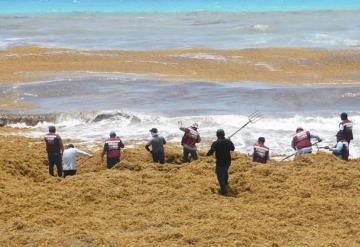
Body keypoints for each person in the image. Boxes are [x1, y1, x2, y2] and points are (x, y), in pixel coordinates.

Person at [207, 129, 235, 196]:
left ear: (217, 135)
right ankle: (226, 183)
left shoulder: (216, 143)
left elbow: (211, 152)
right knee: (225, 171)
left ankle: (224, 191)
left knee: (220, 176)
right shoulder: (228, 141)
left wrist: (207, 154)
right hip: (228, 161)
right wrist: (229, 141)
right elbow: (233, 148)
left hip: (220, 162)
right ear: (224, 134)